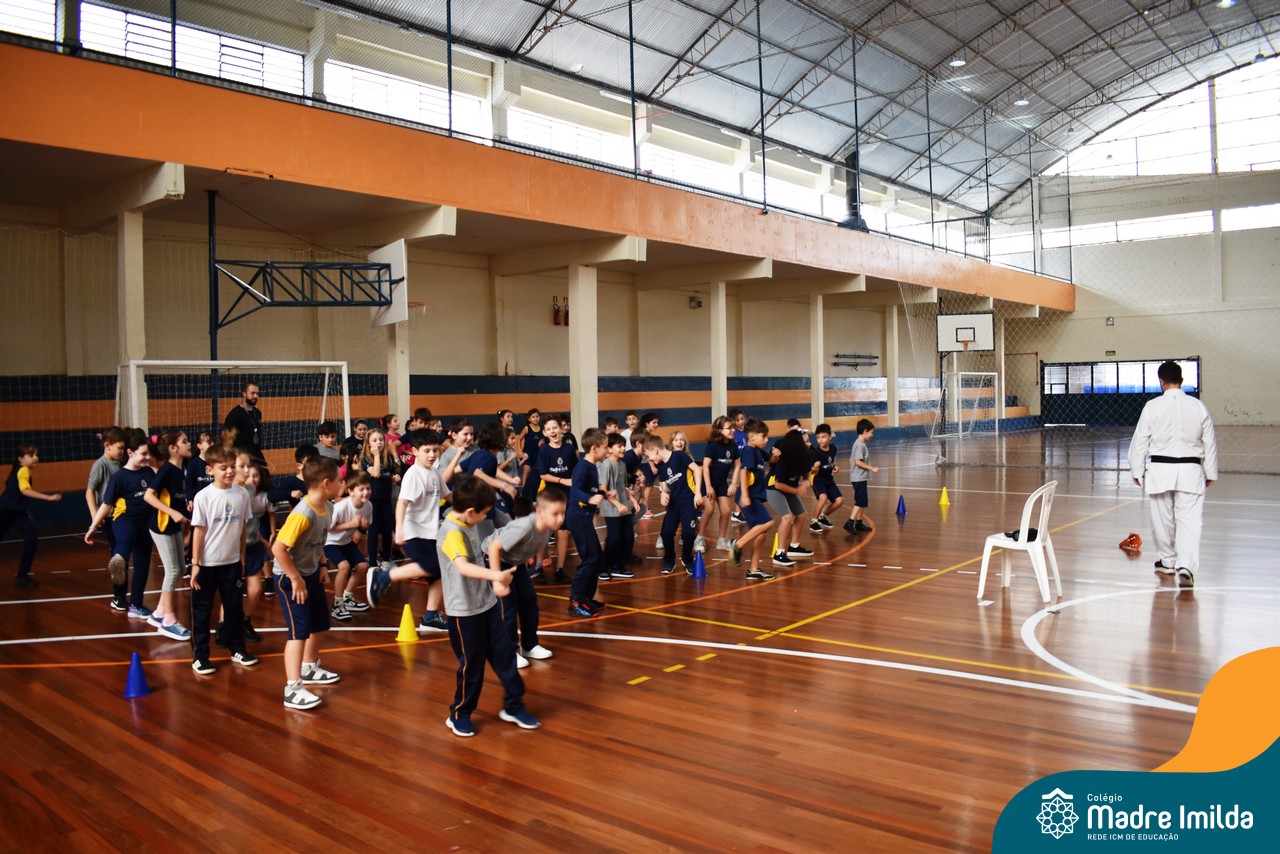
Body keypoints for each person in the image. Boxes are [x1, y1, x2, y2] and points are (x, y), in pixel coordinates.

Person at [437, 476, 541, 737]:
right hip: (464, 613)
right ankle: (459, 713)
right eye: (484, 513)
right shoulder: (451, 532)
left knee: (505, 656)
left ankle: (514, 706)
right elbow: (463, 566)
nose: (485, 518)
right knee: (472, 667)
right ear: (471, 511)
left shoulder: (467, 522)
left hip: (487, 605)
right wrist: (496, 576)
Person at [1129, 361, 1218, 589]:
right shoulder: (1198, 406)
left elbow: (1140, 440)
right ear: (1182, 380)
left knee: (1162, 519)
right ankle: (1186, 566)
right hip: (1191, 470)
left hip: (1160, 470)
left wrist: (1137, 470)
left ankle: (1167, 561)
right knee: (1190, 521)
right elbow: (1209, 442)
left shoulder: (1152, 406)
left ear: (1161, 381)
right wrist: (1210, 471)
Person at [366, 429, 460, 632]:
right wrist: (399, 529)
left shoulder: (434, 473)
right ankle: (383, 577)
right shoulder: (413, 475)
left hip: (430, 532)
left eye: (435, 450)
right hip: (412, 532)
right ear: (415, 451)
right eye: (427, 451)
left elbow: (448, 495)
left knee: (438, 574)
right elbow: (402, 503)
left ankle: (430, 616)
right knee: (431, 566)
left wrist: (468, 505)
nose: (432, 454)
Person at [271, 456, 344, 710]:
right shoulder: (303, 513)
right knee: (298, 632)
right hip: (290, 577)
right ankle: (292, 688)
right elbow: (278, 548)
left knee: (320, 623)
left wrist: (323, 566)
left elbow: (319, 541)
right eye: (339, 480)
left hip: (310, 573)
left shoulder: (328, 507)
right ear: (326, 483)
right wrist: (295, 578)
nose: (342, 484)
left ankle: (309, 666)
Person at [189, 444, 258, 675]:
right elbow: (198, 531)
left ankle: (237, 649)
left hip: (232, 564)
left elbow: (243, 528)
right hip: (207, 565)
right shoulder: (203, 497)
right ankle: (200, 657)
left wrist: (242, 557)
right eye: (223, 468)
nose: (229, 471)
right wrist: (195, 564)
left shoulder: (241, 494)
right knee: (202, 612)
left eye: (231, 467)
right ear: (210, 470)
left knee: (234, 609)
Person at [482, 492, 560, 669]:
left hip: (515, 562)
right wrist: (497, 579)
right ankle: (507, 653)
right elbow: (494, 548)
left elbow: (528, 545)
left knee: (529, 599)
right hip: (495, 558)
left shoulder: (548, 526)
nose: (560, 518)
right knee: (508, 605)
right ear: (540, 512)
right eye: (556, 513)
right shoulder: (523, 527)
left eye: (562, 513)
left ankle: (529, 645)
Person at [85, 430, 155, 615]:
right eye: (144, 454)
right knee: (125, 538)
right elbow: (106, 504)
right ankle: (119, 559)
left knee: (142, 564)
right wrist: (92, 526)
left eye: (148, 454)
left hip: (145, 523)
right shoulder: (119, 477)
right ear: (130, 453)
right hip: (124, 517)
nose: (148, 457)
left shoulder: (148, 472)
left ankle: (137, 605)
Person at [142, 429, 193, 640]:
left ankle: (159, 612)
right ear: (173, 448)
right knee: (172, 572)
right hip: (161, 526)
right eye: (185, 441)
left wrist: (185, 507)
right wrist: (171, 512)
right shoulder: (167, 470)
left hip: (173, 526)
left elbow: (175, 496)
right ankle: (168, 621)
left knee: (180, 569)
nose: (189, 444)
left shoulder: (182, 469)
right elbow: (148, 496)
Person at [2, 443, 62, 588]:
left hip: (17, 513)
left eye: (36, 455)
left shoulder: (22, 470)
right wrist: (48, 497)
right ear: (21, 459)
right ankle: (22, 575)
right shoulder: (23, 470)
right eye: (31, 455)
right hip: (5, 511)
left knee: (31, 538)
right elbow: (25, 491)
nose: (36, 458)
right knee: (31, 539)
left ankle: (22, 575)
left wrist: (25, 511)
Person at [644, 433, 703, 575]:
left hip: (688, 501)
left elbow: (697, 469)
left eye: (648, 455)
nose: (649, 459)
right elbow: (663, 484)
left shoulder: (679, 456)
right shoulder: (661, 466)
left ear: (655, 450)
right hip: (673, 504)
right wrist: (663, 493)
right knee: (666, 533)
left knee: (689, 533)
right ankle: (669, 560)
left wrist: (698, 493)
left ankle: (687, 559)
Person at [566, 428, 609, 617]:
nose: (607, 451)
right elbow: (575, 490)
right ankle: (575, 600)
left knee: (596, 557)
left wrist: (603, 494)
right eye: (605, 447)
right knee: (590, 558)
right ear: (594, 448)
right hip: (577, 518)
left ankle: (585, 598)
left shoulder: (592, 467)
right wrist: (590, 499)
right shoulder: (583, 467)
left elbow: (589, 489)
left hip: (584, 518)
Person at [730, 419, 778, 581]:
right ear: (752, 437)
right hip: (748, 496)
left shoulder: (758, 450)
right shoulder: (749, 450)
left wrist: (776, 455)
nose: (767, 439)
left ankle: (753, 569)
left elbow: (771, 460)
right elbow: (744, 472)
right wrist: (744, 495)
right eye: (764, 436)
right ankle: (737, 545)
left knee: (762, 533)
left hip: (755, 496)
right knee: (768, 523)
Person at [326, 472, 373, 621]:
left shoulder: (368, 506)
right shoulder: (340, 507)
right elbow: (328, 527)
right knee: (344, 567)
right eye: (361, 489)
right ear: (351, 491)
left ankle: (347, 598)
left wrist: (364, 526)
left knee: (363, 567)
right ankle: (337, 605)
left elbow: (365, 525)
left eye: (368, 488)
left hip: (345, 541)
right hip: (330, 542)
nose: (366, 492)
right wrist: (351, 524)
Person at [536, 415, 578, 584]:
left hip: (566, 497)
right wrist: (562, 480)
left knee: (563, 532)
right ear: (545, 433)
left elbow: (575, 470)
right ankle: (538, 567)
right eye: (549, 429)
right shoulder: (544, 451)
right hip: (549, 497)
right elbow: (543, 475)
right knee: (544, 532)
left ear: (561, 429)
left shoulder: (568, 449)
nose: (553, 431)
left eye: (555, 428)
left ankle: (560, 569)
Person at [765, 429, 815, 568]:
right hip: (773, 488)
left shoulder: (806, 455)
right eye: (806, 441)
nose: (810, 444)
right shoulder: (785, 461)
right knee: (787, 517)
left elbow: (806, 474)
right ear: (798, 444)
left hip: (789, 487)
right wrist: (797, 491)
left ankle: (794, 546)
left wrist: (805, 482)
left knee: (802, 515)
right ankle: (779, 553)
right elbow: (778, 484)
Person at [357, 427, 400, 570]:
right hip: (372, 501)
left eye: (381, 440)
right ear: (368, 443)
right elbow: (375, 473)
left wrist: (395, 478)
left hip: (386, 499)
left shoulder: (388, 458)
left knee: (388, 530)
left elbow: (389, 474)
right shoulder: (366, 459)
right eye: (374, 440)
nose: (378, 443)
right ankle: (372, 563)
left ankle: (386, 559)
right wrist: (376, 456)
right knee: (373, 532)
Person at [597, 433, 638, 581]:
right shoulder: (606, 465)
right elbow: (603, 489)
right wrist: (617, 504)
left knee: (628, 537)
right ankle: (603, 567)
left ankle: (618, 566)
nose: (623, 449)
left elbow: (623, 487)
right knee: (614, 539)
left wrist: (632, 501)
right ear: (609, 449)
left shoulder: (622, 464)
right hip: (612, 509)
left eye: (623, 446)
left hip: (624, 508)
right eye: (619, 446)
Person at [699, 416, 741, 553]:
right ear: (719, 430)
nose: (732, 430)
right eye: (729, 428)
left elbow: (737, 465)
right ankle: (699, 538)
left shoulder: (733, 446)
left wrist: (734, 483)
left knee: (726, 511)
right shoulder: (712, 446)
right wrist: (708, 486)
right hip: (709, 482)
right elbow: (705, 466)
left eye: (733, 428)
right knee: (709, 509)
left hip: (722, 483)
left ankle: (722, 540)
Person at [84, 427, 125, 559]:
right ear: (107, 445)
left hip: (121, 512)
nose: (122, 451)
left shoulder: (121, 463)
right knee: (116, 549)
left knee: (123, 548)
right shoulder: (100, 465)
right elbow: (89, 492)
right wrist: (95, 514)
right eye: (119, 448)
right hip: (108, 516)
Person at [843, 419, 878, 536]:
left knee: (862, 501)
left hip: (860, 478)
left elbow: (851, 459)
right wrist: (871, 468)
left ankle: (858, 523)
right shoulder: (859, 445)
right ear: (865, 431)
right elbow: (858, 462)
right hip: (858, 478)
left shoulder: (859, 444)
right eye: (871, 433)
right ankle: (850, 522)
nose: (872, 435)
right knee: (860, 501)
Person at [809, 424, 844, 533]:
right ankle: (813, 522)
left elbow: (830, 462)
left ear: (830, 437)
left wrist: (835, 468)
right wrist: (814, 467)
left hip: (829, 480)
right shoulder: (815, 453)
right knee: (823, 498)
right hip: (817, 479)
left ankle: (822, 517)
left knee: (840, 501)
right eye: (818, 437)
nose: (820, 440)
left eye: (823, 437)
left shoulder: (833, 449)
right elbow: (810, 469)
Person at [224, 381, 264, 462]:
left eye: (257, 393)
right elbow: (226, 437)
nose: (255, 396)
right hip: (242, 456)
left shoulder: (257, 412)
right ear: (244, 394)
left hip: (256, 455)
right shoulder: (235, 413)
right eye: (252, 393)